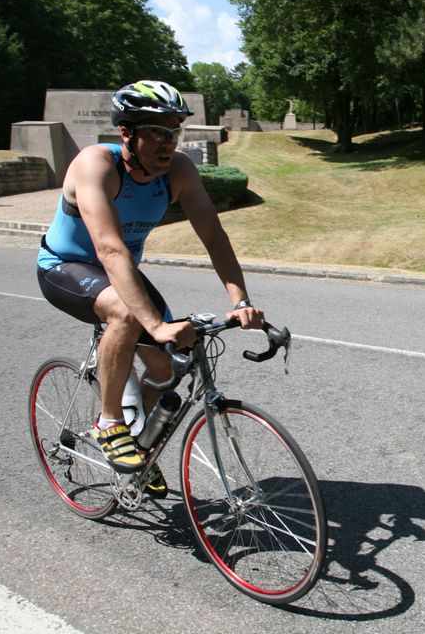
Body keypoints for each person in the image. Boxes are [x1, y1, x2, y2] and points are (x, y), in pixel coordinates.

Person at [36, 80, 264, 494]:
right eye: (157, 132)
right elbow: (109, 248)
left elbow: (214, 236)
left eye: (174, 132)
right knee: (123, 312)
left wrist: (241, 300)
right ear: (127, 132)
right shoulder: (96, 165)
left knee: (164, 366)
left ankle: (138, 443)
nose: (168, 143)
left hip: (120, 271)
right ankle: (110, 424)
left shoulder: (178, 171)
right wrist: (155, 324)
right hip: (66, 266)